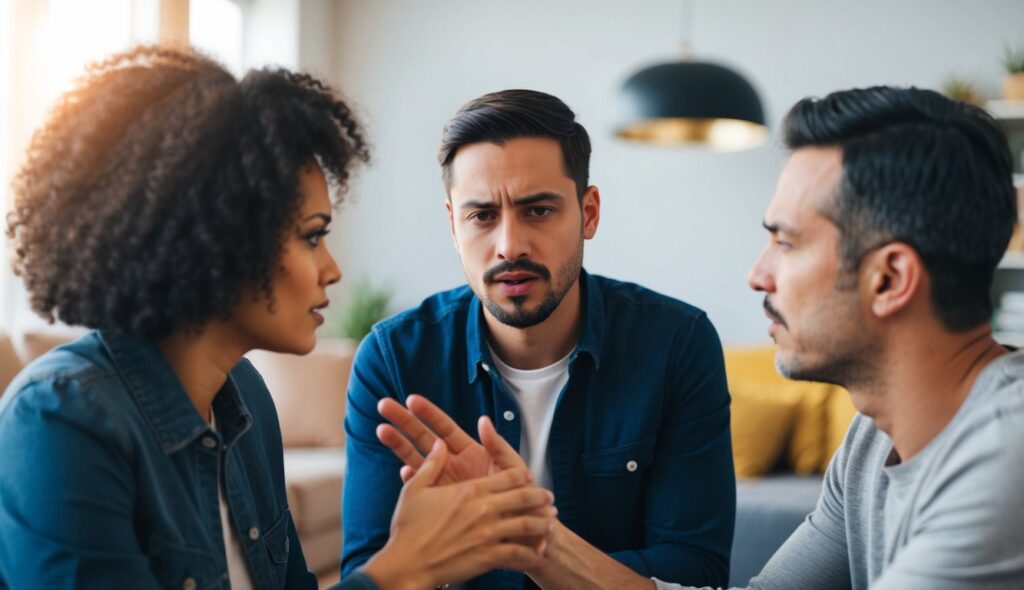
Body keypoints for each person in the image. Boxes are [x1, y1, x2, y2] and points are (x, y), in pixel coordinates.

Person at [417, 85, 1024, 590]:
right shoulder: (873, 439)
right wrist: (536, 540)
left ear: (889, 278)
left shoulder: (1004, 460)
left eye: (785, 242)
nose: (757, 274)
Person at [0, 46, 555, 590]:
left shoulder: (243, 398)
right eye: (312, 236)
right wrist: (403, 569)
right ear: (217, 238)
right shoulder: (59, 422)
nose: (332, 269)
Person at [342, 89, 736, 589]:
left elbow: (695, 571)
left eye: (538, 211)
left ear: (588, 213)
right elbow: (368, 573)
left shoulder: (678, 345)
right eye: (482, 215)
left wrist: (527, 541)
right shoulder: (394, 360)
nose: (509, 246)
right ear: (453, 226)